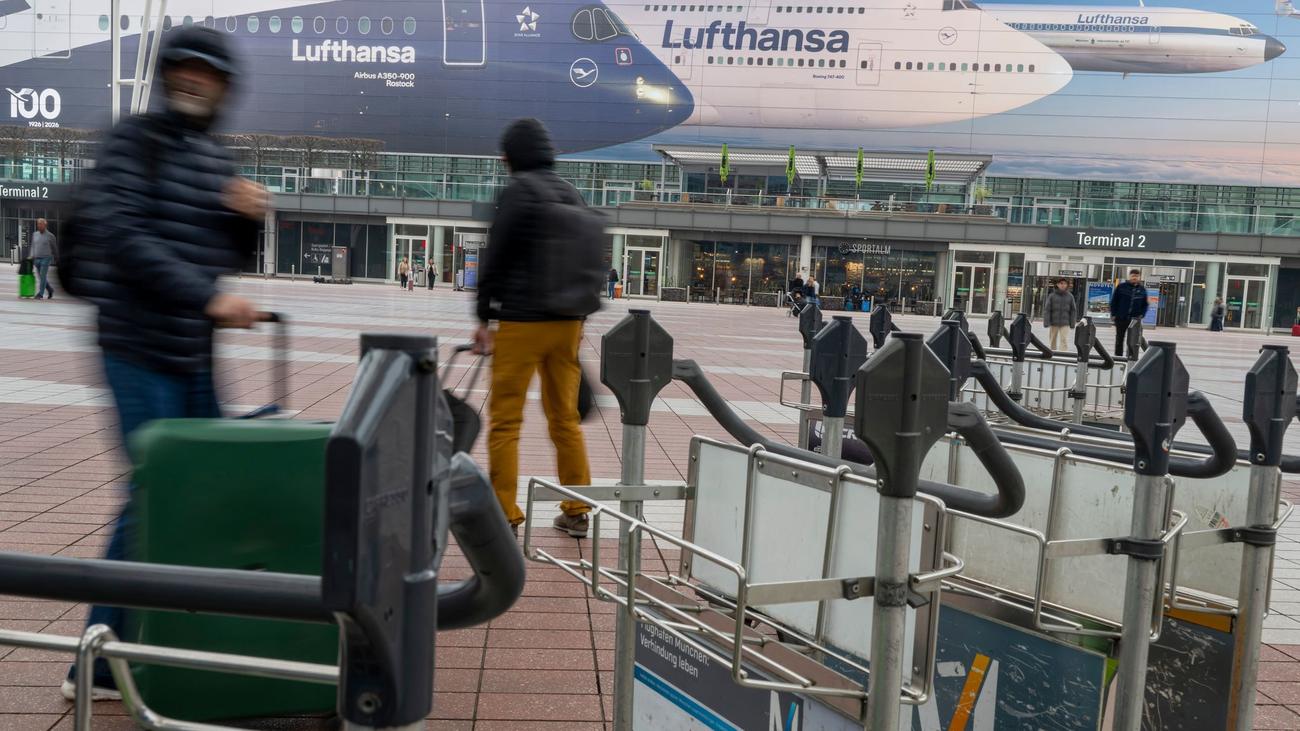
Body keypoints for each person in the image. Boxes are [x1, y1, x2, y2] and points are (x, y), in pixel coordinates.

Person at [60, 25, 268, 701]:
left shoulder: (215, 157)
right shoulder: (132, 141)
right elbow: (121, 237)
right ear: (166, 74)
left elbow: (222, 255)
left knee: (206, 488)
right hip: (136, 346)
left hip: (193, 355)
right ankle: (94, 663)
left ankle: (175, 639)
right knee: (152, 490)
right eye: (183, 67)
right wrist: (207, 297)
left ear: (226, 86)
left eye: (207, 72)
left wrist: (246, 219)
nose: (192, 78)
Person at [474, 118, 592, 539]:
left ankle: (505, 514)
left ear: (512, 157)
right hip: (567, 324)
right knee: (565, 419)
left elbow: (495, 258)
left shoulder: (517, 191)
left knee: (506, 420)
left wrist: (483, 318)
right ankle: (577, 511)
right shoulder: (571, 192)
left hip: (522, 322)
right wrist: (579, 321)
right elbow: (587, 260)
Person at [1109, 269, 1149, 357]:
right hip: (1121, 318)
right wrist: (1114, 314)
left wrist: (1142, 315)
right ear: (1129, 276)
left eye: (1136, 276)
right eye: (1133, 276)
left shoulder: (1142, 290)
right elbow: (1114, 301)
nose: (1134, 278)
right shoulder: (1121, 287)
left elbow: (1145, 304)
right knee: (1119, 339)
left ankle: (1130, 357)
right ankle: (1118, 357)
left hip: (1135, 320)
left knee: (1133, 340)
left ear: (1139, 277)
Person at [1042, 278, 1077, 352]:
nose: (1063, 285)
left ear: (1067, 285)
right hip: (1054, 322)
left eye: (1065, 283)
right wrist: (1046, 322)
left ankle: (1063, 354)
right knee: (1052, 339)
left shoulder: (1070, 296)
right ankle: (1052, 353)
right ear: (1057, 284)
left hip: (1065, 323)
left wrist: (1072, 323)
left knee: (1064, 339)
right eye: (1061, 283)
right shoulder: (1052, 296)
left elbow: (1073, 310)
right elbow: (1047, 310)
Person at [30, 218, 56, 300]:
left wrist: (57, 257)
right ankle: (50, 290)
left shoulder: (51, 236)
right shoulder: (35, 234)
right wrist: (31, 256)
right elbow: (33, 246)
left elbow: (54, 248)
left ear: (45, 225)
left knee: (42, 275)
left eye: (41, 224)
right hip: (36, 259)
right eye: (38, 224)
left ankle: (40, 294)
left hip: (46, 258)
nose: (39, 225)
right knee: (42, 277)